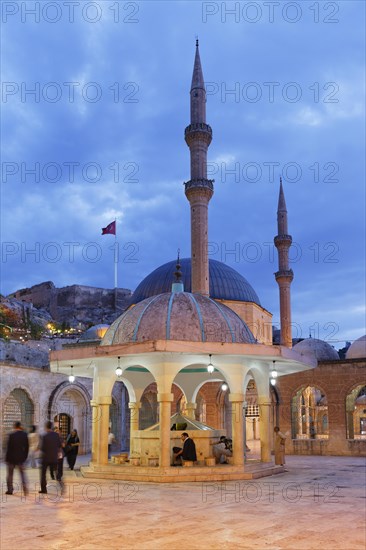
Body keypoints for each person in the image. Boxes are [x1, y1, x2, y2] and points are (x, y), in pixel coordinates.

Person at [39, 421, 63, 494]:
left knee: (43, 474)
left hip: (46, 458)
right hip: (54, 458)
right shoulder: (56, 435)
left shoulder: (44, 436)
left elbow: (42, 448)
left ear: (46, 427)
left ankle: (44, 489)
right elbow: (59, 445)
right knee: (57, 473)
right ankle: (62, 486)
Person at [5, 421, 29, 496]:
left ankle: (10, 490)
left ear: (15, 427)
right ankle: (25, 489)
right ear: (20, 426)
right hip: (21, 458)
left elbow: (8, 448)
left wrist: (7, 458)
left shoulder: (11, 435)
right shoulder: (25, 435)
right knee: (22, 474)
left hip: (11, 458)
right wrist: (25, 457)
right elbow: (27, 448)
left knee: (10, 475)